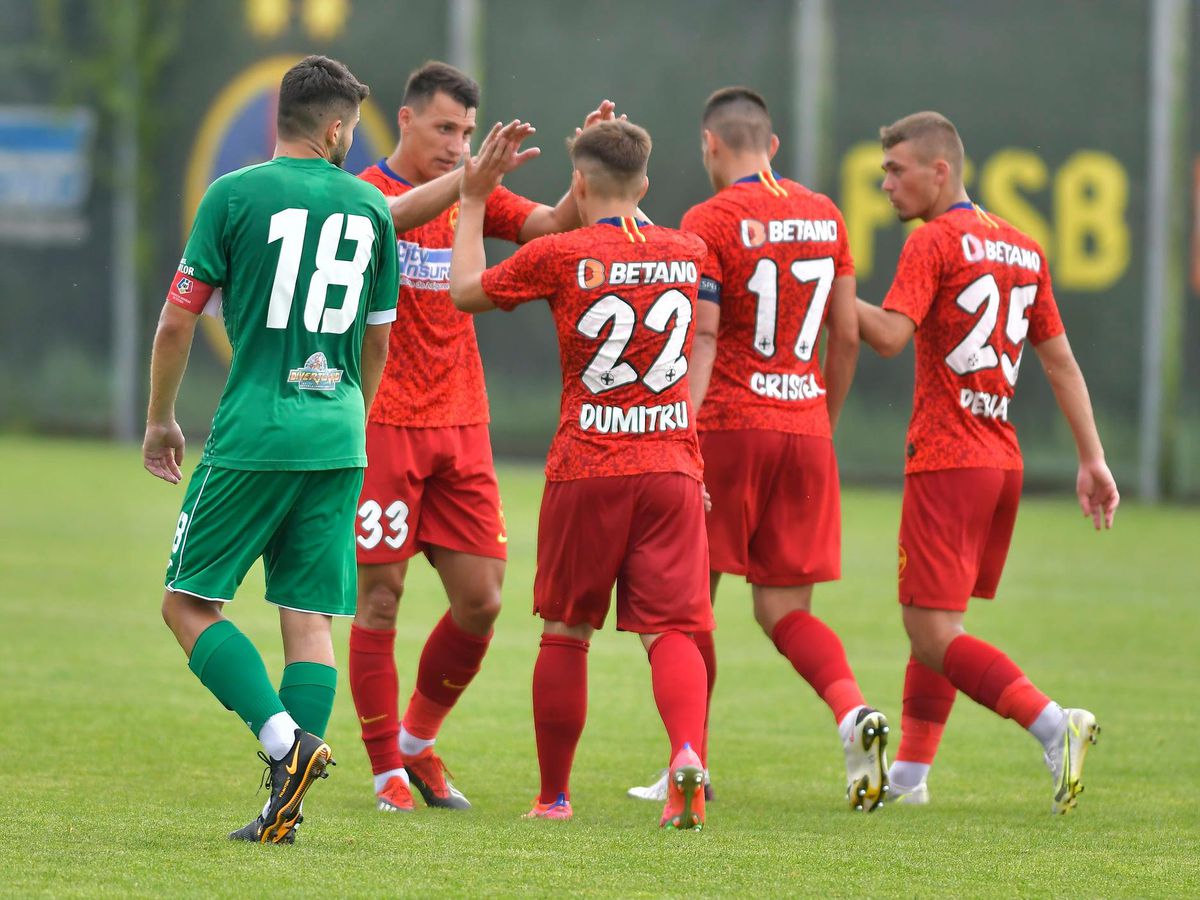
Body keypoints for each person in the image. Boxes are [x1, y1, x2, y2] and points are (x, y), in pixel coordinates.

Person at [348, 59, 618, 814]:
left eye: (467, 132)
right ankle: (385, 773)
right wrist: (471, 186)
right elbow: (389, 219)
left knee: (483, 600)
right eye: (444, 128)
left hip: (462, 421)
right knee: (381, 598)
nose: (457, 144)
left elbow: (554, 227)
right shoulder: (364, 194)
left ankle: (415, 741)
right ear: (405, 120)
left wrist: (585, 171)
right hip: (384, 423)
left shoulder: (474, 189)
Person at [143, 55, 399, 843]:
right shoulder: (371, 206)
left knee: (186, 603)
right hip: (339, 434)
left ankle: (286, 744)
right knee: (309, 617)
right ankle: (284, 814)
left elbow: (178, 321)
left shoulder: (233, 195)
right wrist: (350, 415)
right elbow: (378, 341)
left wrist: (160, 419)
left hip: (256, 432)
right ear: (336, 129)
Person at [628, 86, 891, 812]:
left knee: (686, 604)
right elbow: (846, 333)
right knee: (784, 609)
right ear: (771, 146)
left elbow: (705, 334)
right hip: (804, 427)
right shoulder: (826, 213)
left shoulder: (710, 219)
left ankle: (691, 759)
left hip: (727, 427)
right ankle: (851, 713)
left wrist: (681, 425)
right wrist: (821, 420)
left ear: (710, 145)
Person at [450, 119, 713, 830]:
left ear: (577, 184)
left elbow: (465, 290)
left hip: (588, 466)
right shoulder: (688, 251)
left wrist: (472, 200)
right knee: (672, 631)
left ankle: (554, 798)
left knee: (567, 632)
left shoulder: (561, 254)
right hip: (671, 466)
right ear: (646, 183)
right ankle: (687, 753)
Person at [856, 111, 1118, 813]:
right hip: (1000, 461)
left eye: (896, 170)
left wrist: (824, 293)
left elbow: (888, 337)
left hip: (949, 459)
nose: (887, 184)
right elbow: (1059, 362)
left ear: (940, 171)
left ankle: (1053, 724)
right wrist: (1092, 458)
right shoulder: (1023, 247)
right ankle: (908, 777)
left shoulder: (933, 241)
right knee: (936, 625)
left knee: (931, 631)